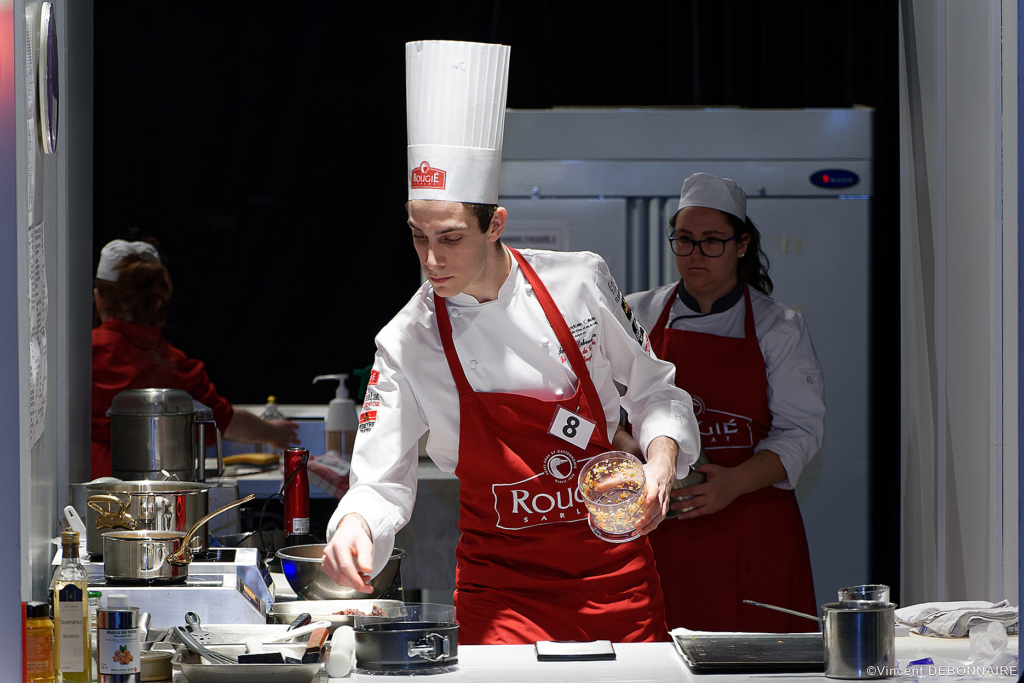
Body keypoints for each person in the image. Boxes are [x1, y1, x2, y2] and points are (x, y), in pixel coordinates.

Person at [321, 40, 701, 645]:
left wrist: (660, 459)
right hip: (500, 594)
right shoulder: (407, 338)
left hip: (613, 577)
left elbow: (655, 387)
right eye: (418, 237)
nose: (431, 260)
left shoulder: (578, 281)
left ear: (494, 223)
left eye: (449, 238)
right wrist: (355, 526)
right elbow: (380, 478)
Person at [624, 173, 825, 633]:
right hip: (662, 524)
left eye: (712, 242)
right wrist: (643, 451)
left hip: (751, 523)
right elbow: (606, 411)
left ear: (741, 245)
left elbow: (801, 433)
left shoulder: (780, 328)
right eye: (685, 241)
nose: (695, 255)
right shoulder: (638, 315)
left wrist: (731, 484)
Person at [91, 239, 298, 478]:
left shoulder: (80, 356)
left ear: (99, 296)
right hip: (157, 492)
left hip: (84, 496)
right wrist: (273, 433)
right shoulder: (173, 365)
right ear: (157, 301)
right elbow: (225, 421)